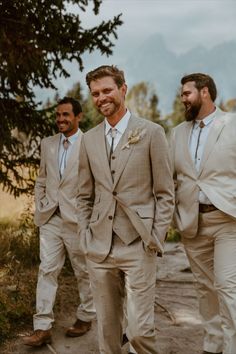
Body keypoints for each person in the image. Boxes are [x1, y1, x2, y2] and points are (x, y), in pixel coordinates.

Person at [77, 65, 174, 354]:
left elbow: (165, 193)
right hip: (99, 248)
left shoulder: (151, 133)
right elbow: (84, 194)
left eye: (107, 90)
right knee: (108, 332)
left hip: (138, 244)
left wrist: (154, 237)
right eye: (95, 93)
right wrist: (85, 234)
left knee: (141, 331)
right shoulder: (89, 139)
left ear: (123, 89)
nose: (101, 97)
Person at [169, 73, 236, 354]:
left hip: (227, 220)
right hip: (191, 222)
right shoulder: (176, 133)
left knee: (227, 287)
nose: (182, 98)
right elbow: (171, 178)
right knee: (204, 287)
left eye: (187, 93)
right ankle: (213, 343)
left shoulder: (232, 125)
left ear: (204, 92)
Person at [23, 97, 95, 347]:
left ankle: (86, 316)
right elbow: (42, 178)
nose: (61, 120)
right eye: (58, 116)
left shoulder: (90, 143)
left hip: (77, 219)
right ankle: (42, 326)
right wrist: (41, 203)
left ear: (78, 117)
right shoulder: (47, 143)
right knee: (47, 270)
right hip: (50, 218)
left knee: (83, 271)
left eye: (66, 115)